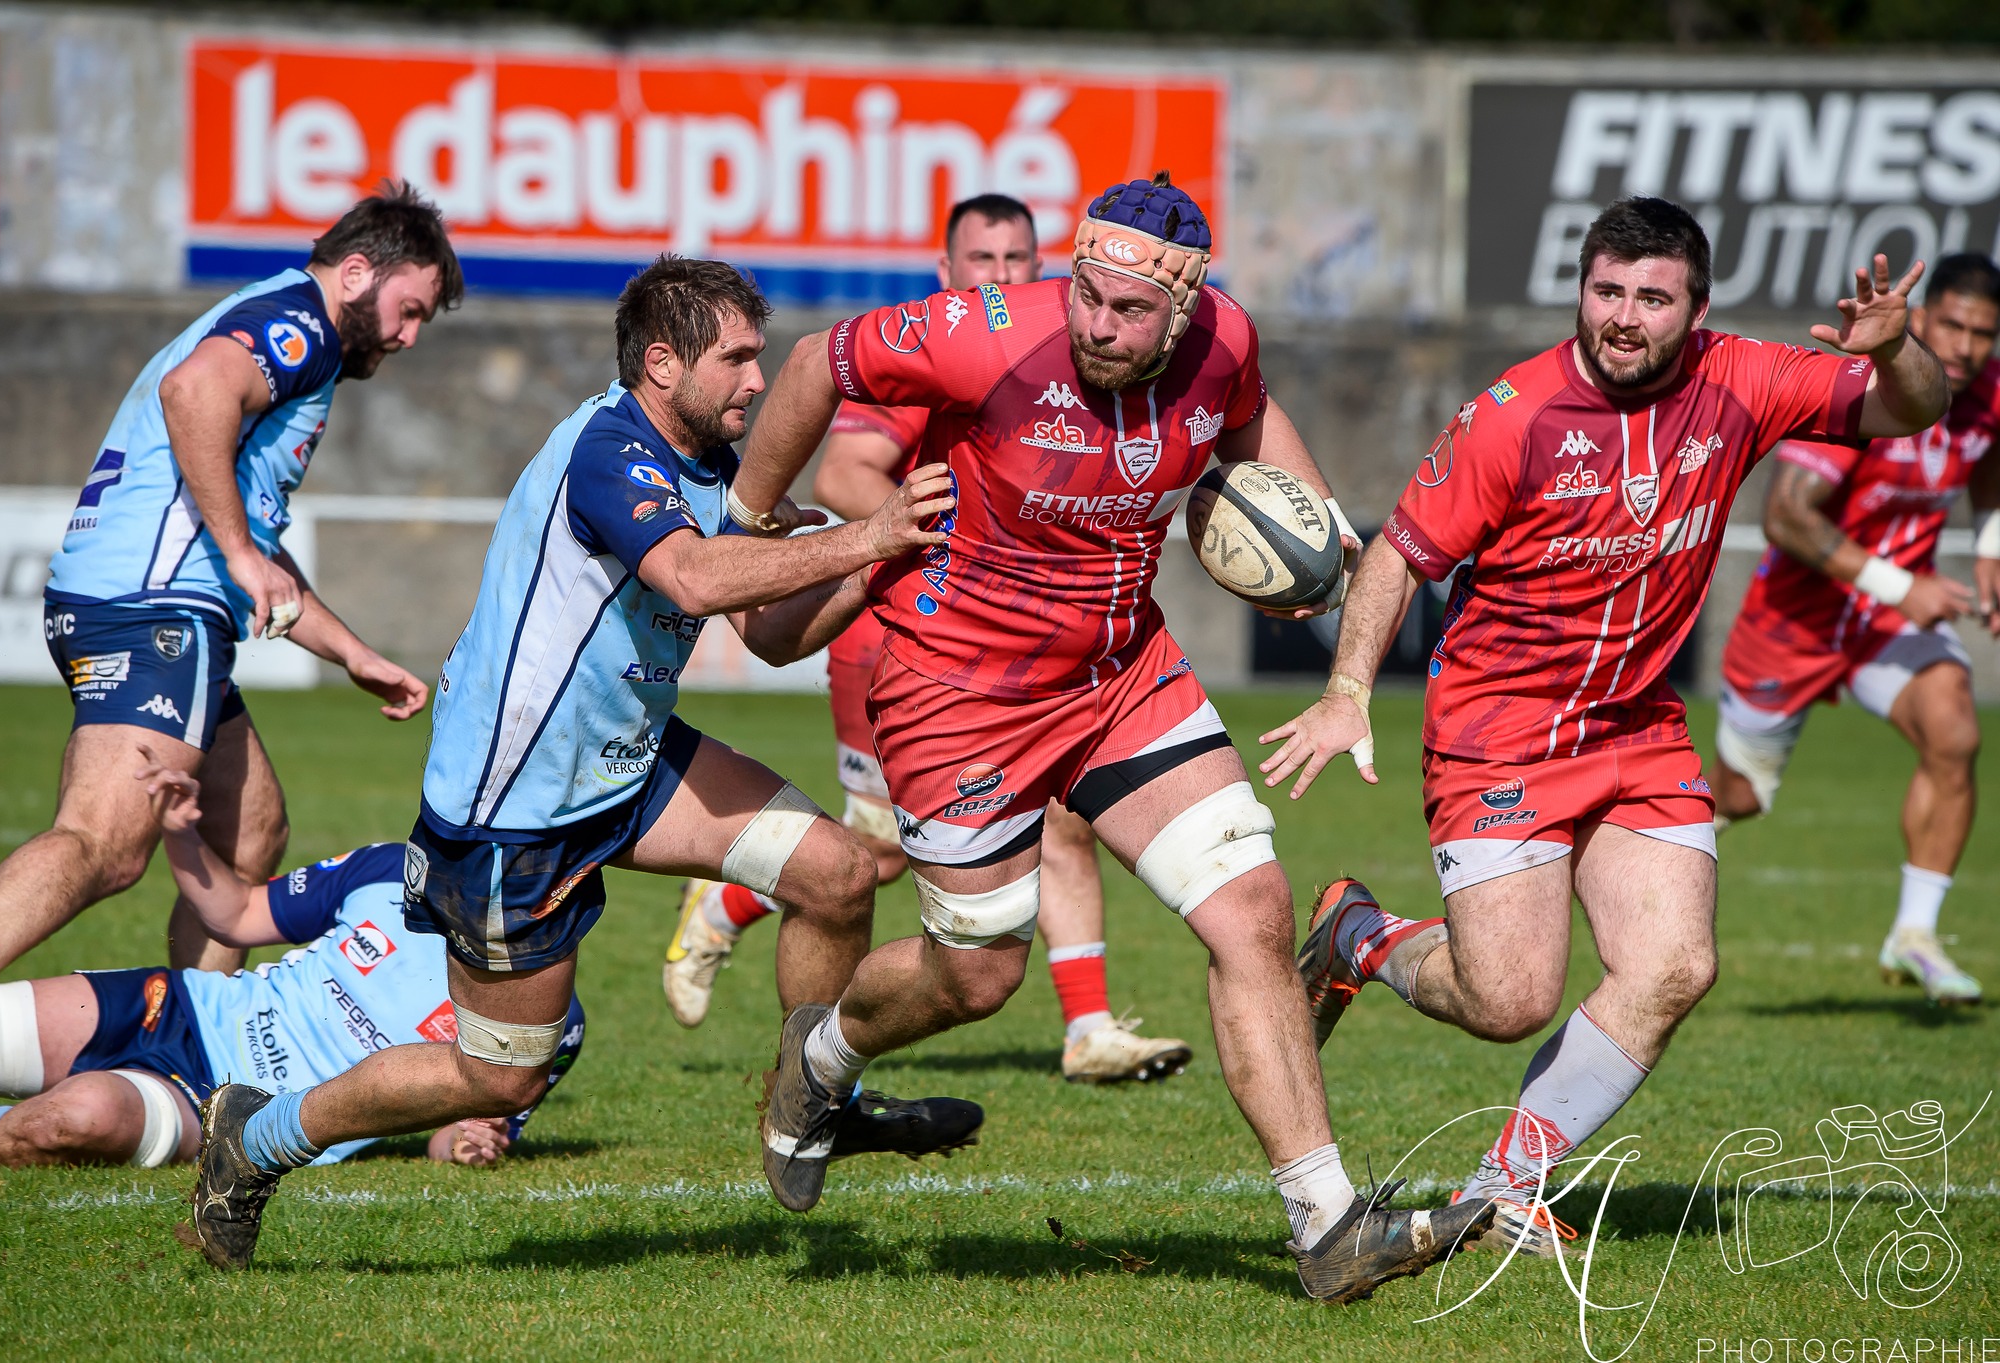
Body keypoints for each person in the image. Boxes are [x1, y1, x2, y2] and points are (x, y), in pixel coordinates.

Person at [729, 173, 1498, 1304]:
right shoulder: (980, 334)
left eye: (1128, 312)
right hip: (959, 690)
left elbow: (1249, 411)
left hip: (1119, 672)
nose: (1097, 323)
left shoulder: (1222, 336)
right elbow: (808, 365)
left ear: (1180, 311)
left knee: (1252, 909)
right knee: (977, 974)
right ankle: (824, 1054)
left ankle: (1325, 1223)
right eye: (1086, 295)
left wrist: (1312, 524)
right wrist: (749, 522)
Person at [178, 256, 980, 1272]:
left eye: (758, 358)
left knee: (832, 875)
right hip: (516, 808)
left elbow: (772, 635)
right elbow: (690, 581)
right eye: (735, 360)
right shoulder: (610, 449)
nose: (754, 382)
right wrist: (866, 529)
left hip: (623, 760)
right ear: (660, 362)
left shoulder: (703, 461)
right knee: (497, 1077)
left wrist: (883, 559)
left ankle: (813, 1103)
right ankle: (255, 1137)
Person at [1260, 197, 1950, 1256]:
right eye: (1605, 291)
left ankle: (1499, 1190)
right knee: (1507, 999)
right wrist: (1348, 687)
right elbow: (1398, 552)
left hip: (1633, 725)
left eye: (1650, 297)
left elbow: (1910, 409)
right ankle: (1361, 933)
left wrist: (1897, 348)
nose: (1622, 317)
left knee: (1673, 965)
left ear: (1697, 307)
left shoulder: (1743, 378)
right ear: (1581, 289)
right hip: (1499, 729)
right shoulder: (1512, 414)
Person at [663, 193, 1193, 1086]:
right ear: (947, 275)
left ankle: (1089, 1024)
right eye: (981, 261)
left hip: (1018, 652)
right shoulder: (948, 362)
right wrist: (961, 544)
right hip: (900, 634)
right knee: (874, 853)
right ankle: (726, 904)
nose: (1002, 276)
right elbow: (843, 467)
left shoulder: (1056, 363)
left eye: (1018, 259)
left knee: (1063, 821)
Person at [0, 184, 460, 1043]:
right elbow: (194, 394)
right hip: (153, 610)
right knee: (106, 843)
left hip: (155, 608)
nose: (410, 336)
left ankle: (178, 1047)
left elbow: (256, 540)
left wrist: (351, 652)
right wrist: (232, 552)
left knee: (251, 829)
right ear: (356, 273)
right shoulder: (298, 323)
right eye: (409, 311)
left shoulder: (298, 336)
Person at [0, 762, 582, 1172]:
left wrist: (471, 1145)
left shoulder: (544, 1009)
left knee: (76, 1118)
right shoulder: (389, 868)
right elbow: (238, 915)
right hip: (176, 1007)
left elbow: (460, 1127)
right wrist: (181, 830)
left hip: (229, 1108)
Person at [1714, 253, 2000, 1006]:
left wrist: (1993, 539)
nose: (1967, 348)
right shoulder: (1865, 395)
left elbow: (1989, 460)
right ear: (1924, 317)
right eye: (1955, 327)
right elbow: (1784, 514)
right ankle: (1633, 840)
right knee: (1741, 797)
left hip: (1881, 624)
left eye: (1984, 334)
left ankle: (1915, 933)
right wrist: (1903, 585)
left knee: (1956, 731)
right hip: (1795, 620)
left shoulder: (1986, 397)